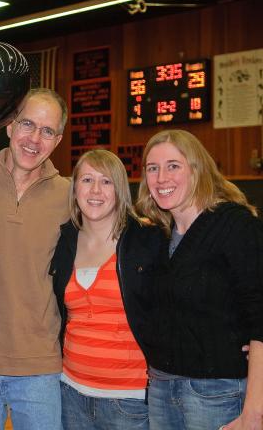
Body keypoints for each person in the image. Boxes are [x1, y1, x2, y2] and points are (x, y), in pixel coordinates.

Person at [0, 88, 70, 429]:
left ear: (58, 139)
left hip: (40, 366)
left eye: (47, 131)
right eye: (27, 124)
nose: (34, 138)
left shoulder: (71, 194)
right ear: (9, 125)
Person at [133, 129, 263, 430]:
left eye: (173, 166)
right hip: (161, 390)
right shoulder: (156, 236)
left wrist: (254, 412)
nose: (161, 177)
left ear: (197, 169)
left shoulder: (235, 224)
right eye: (153, 168)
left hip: (217, 394)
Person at [50, 150, 161, 429]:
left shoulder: (146, 239)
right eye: (87, 180)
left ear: (120, 190)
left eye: (106, 181)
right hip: (71, 392)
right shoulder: (64, 242)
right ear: (74, 188)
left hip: (129, 400)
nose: (96, 190)